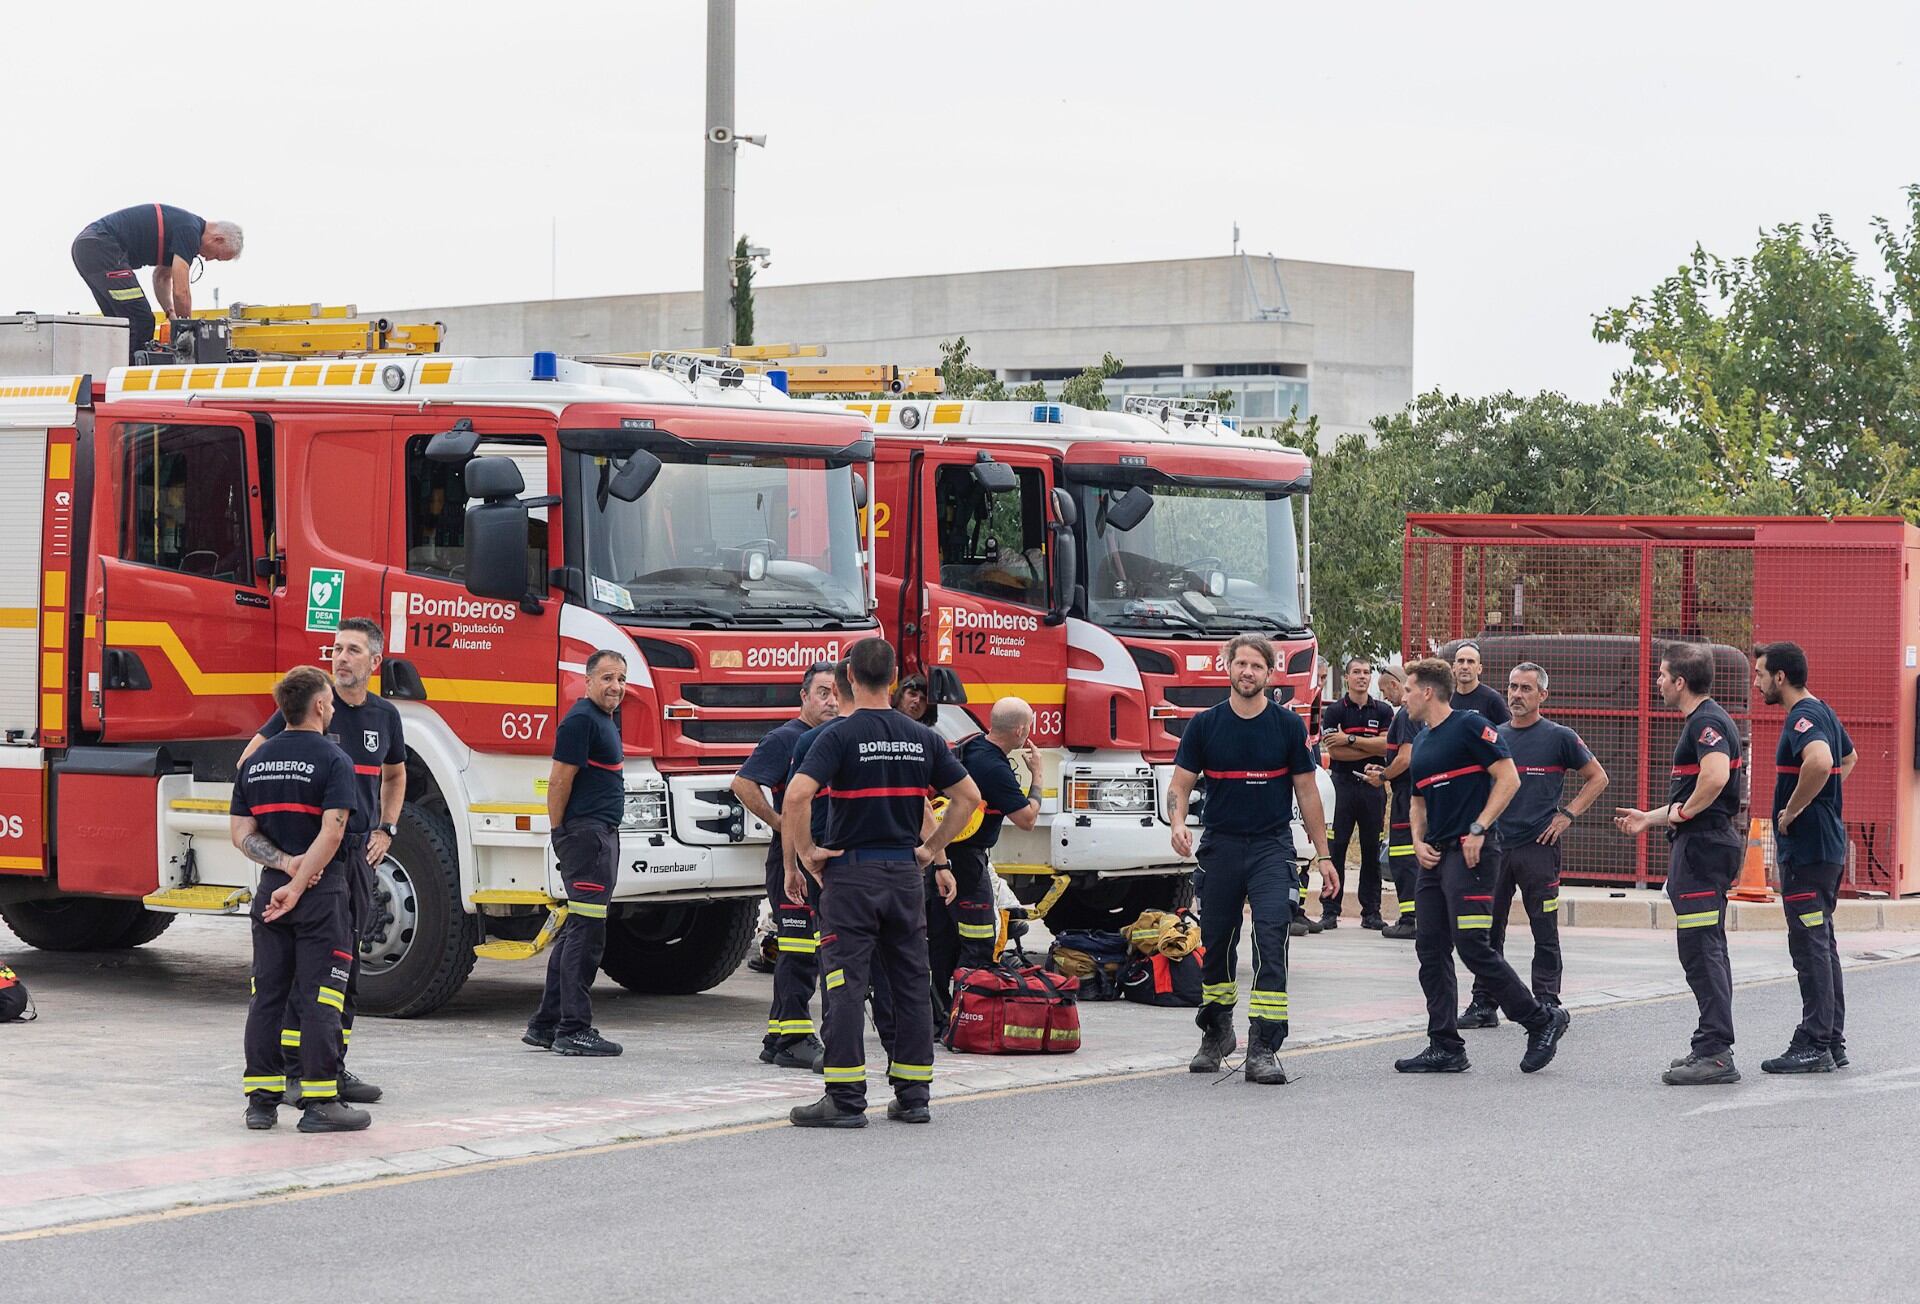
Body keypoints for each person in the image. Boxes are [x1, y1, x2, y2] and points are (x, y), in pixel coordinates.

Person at [783, 638, 981, 1128]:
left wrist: (807, 854)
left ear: (850, 677)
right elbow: (968, 796)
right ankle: (913, 1095)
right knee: (911, 982)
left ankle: (845, 1099)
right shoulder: (922, 737)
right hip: (904, 876)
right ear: (894, 679)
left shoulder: (838, 737)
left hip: (851, 876)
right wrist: (933, 851)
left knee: (845, 983)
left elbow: (796, 796)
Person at [241, 618, 405, 1106]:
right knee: (298, 971)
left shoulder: (385, 716)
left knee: (343, 969)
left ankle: (331, 1066)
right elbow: (251, 761)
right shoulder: (311, 707)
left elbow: (394, 777)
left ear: (375, 662)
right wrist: (287, 834)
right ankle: (297, 1074)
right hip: (310, 857)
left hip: (355, 855)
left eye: (353, 650)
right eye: (336, 649)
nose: (340, 658)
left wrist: (386, 828)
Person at [1167, 635, 1338, 1085]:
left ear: (1269, 672)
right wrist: (1177, 822)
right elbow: (1180, 785)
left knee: (1270, 938)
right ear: (1227, 667)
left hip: (1270, 848)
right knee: (1216, 942)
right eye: (1240, 664)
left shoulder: (1286, 727)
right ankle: (1217, 1031)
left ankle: (1263, 1045)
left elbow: (1307, 792)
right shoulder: (1204, 726)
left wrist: (1324, 856)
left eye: (1256, 666)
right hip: (1220, 848)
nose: (1247, 672)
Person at [1395, 658, 1570, 1075]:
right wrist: (1418, 841)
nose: (1402, 697)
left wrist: (1478, 827)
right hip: (1435, 857)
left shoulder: (1471, 726)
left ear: (1428, 692)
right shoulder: (1421, 741)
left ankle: (1540, 1019)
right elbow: (1418, 801)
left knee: (1472, 942)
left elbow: (1508, 778)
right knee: (1430, 948)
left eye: (1407, 689)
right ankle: (1445, 1046)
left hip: (1473, 852)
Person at [230, 666, 368, 1133]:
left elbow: (241, 833)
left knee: (266, 995)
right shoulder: (333, 761)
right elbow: (333, 831)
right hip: (320, 893)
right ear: (322, 706)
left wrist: (286, 870)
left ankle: (262, 1102)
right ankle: (319, 1104)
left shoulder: (255, 761)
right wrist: (302, 879)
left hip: (272, 890)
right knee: (321, 995)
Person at [1613, 643, 1745, 1085]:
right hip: (1704, 843)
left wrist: (1684, 815)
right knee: (1708, 948)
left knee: (1700, 951)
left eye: (1662, 675)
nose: (1658, 682)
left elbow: (1715, 778)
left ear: (1681, 682)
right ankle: (1711, 1045)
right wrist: (1648, 819)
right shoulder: (1707, 719)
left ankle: (1715, 1053)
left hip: (1703, 847)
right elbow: (1693, 792)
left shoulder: (1706, 721)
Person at [1459, 662, 1608, 1025]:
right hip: (1496, 848)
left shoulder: (1559, 737)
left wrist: (1567, 815)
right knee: (1487, 930)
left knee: (1544, 927)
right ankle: (1483, 1004)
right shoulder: (1493, 735)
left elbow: (1597, 777)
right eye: (1512, 687)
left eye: (1526, 689)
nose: (1516, 695)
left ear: (1542, 695)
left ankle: (1547, 1000)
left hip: (1538, 848)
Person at [730, 661, 840, 1070]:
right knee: (799, 949)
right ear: (805, 697)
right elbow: (743, 783)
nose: (830, 701)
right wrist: (781, 824)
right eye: (822, 693)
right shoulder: (786, 738)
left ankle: (778, 1035)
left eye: (835, 693)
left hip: (817, 858)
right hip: (790, 860)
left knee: (806, 946)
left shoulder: (831, 738)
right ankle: (795, 1037)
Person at [1753, 642, 1855, 1074]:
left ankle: (1814, 1042)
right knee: (1822, 943)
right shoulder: (1823, 709)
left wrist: (1795, 810)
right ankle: (1832, 1040)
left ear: (1780, 677)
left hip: (1808, 851)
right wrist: (1824, 800)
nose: (1756, 682)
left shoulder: (1802, 716)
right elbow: (1849, 758)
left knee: (1809, 945)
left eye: (1759, 674)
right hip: (1826, 847)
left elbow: (1823, 760)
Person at [524, 651, 629, 1058]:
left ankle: (546, 1025)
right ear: (587, 681)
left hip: (597, 835)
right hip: (586, 838)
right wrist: (561, 834)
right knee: (587, 936)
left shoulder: (602, 719)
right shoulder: (581, 720)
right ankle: (574, 1029)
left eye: (621, 678)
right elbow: (558, 782)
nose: (615, 687)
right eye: (606, 678)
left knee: (574, 931)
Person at [934, 698, 1043, 1029]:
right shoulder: (994, 768)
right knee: (979, 939)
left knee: (942, 939)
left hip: (943, 856)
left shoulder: (971, 746)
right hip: (967, 861)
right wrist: (1037, 776)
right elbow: (1027, 818)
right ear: (1021, 730)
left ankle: (937, 1018)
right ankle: (967, 1015)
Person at [71, 205, 243, 353]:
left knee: (120, 322)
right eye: (217, 256)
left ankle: (114, 369)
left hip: (87, 247)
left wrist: (171, 314)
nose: (209, 259)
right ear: (218, 239)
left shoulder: (183, 227)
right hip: (102, 247)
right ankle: (133, 377)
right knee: (141, 320)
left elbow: (161, 277)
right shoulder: (190, 231)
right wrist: (188, 332)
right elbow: (181, 292)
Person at [1319, 656, 1395, 929]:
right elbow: (1334, 750)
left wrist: (1350, 739)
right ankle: (1329, 910)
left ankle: (1372, 912)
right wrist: (1369, 745)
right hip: (1342, 786)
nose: (1362, 676)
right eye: (1357, 672)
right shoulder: (1335, 711)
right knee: (1335, 849)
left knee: (1371, 850)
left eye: (1366, 672)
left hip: (1373, 787)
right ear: (1348, 677)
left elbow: (1387, 747)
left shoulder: (1384, 710)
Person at [1364, 694, 1424, 939]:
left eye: (1407, 689)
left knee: (1403, 858)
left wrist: (1383, 777)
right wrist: (1385, 770)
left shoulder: (1406, 715)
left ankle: (1410, 919)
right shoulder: (1420, 717)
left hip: (1406, 796)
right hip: (1410, 792)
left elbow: (1406, 757)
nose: (1401, 696)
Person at [1447, 641, 1511, 725]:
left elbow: (1506, 731)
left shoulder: (1492, 699)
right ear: (1454, 667)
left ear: (1479, 669)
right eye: (1461, 661)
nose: (1465, 667)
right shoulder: (1446, 698)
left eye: (1470, 662)